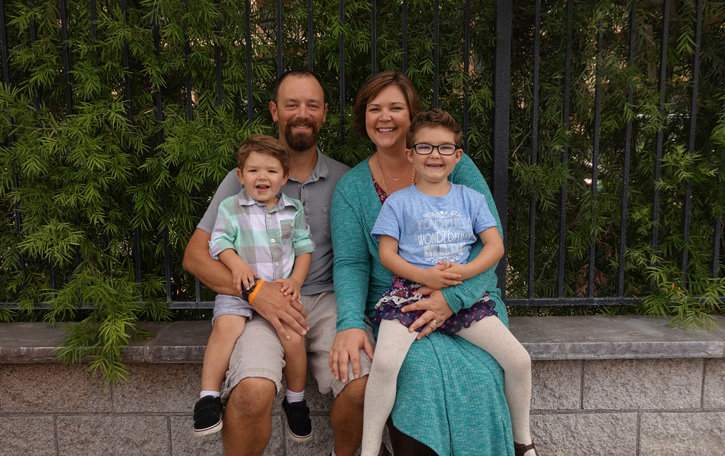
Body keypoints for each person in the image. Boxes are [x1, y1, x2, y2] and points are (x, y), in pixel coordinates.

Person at [183, 70, 374, 456]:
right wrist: (257, 293)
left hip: (324, 300)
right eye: (291, 104)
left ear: (323, 115)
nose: (301, 113)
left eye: (311, 105)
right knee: (252, 391)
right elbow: (195, 257)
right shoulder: (246, 178)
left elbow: (364, 257)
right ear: (274, 111)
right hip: (257, 307)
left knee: (362, 386)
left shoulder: (347, 180)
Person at [330, 70, 517, 455]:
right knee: (416, 372)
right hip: (401, 304)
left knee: (482, 373)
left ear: (412, 116)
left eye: (396, 108)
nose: (384, 117)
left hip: (471, 295)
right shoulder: (352, 188)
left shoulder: (453, 166)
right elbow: (351, 263)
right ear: (363, 117)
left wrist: (454, 298)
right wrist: (350, 322)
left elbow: (490, 245)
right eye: (374, 108)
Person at [361, 109, 537, 456]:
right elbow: (387, 255)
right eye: (424, 147)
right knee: (384, 365)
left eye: (444, 148)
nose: (434, 155)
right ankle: (369, 450)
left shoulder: (471, 199)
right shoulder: (398, 203)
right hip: (409, 297)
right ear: (410, 154)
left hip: (463, 298)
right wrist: (424, 276)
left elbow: (495, 246)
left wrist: (462, 275)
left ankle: (523, 442)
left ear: (457, 157)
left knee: (518, 360)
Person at [193, 134, 315, 442]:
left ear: (285, 177)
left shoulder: (293, 209)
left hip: (280, 292)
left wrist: (296, 281)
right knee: (226, 326)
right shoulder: (230, 208)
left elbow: (304, 248)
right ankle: (208, 397)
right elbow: (217, 242)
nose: (262, 177)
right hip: (241, 288)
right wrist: (236, 265)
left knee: (293, 337)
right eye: (253, 170)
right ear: (240, 176)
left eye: (272, 171)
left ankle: (295, 399)